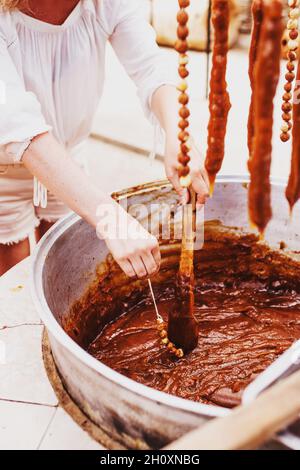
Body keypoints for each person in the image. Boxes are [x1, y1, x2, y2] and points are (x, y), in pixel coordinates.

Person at [0, 0, 209, 277]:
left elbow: (150, 67)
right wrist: (109, 218)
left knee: (64, 264)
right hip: (4, 174)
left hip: (67, 159)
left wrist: (177, 131)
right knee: (14, 275)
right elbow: (17, 123)